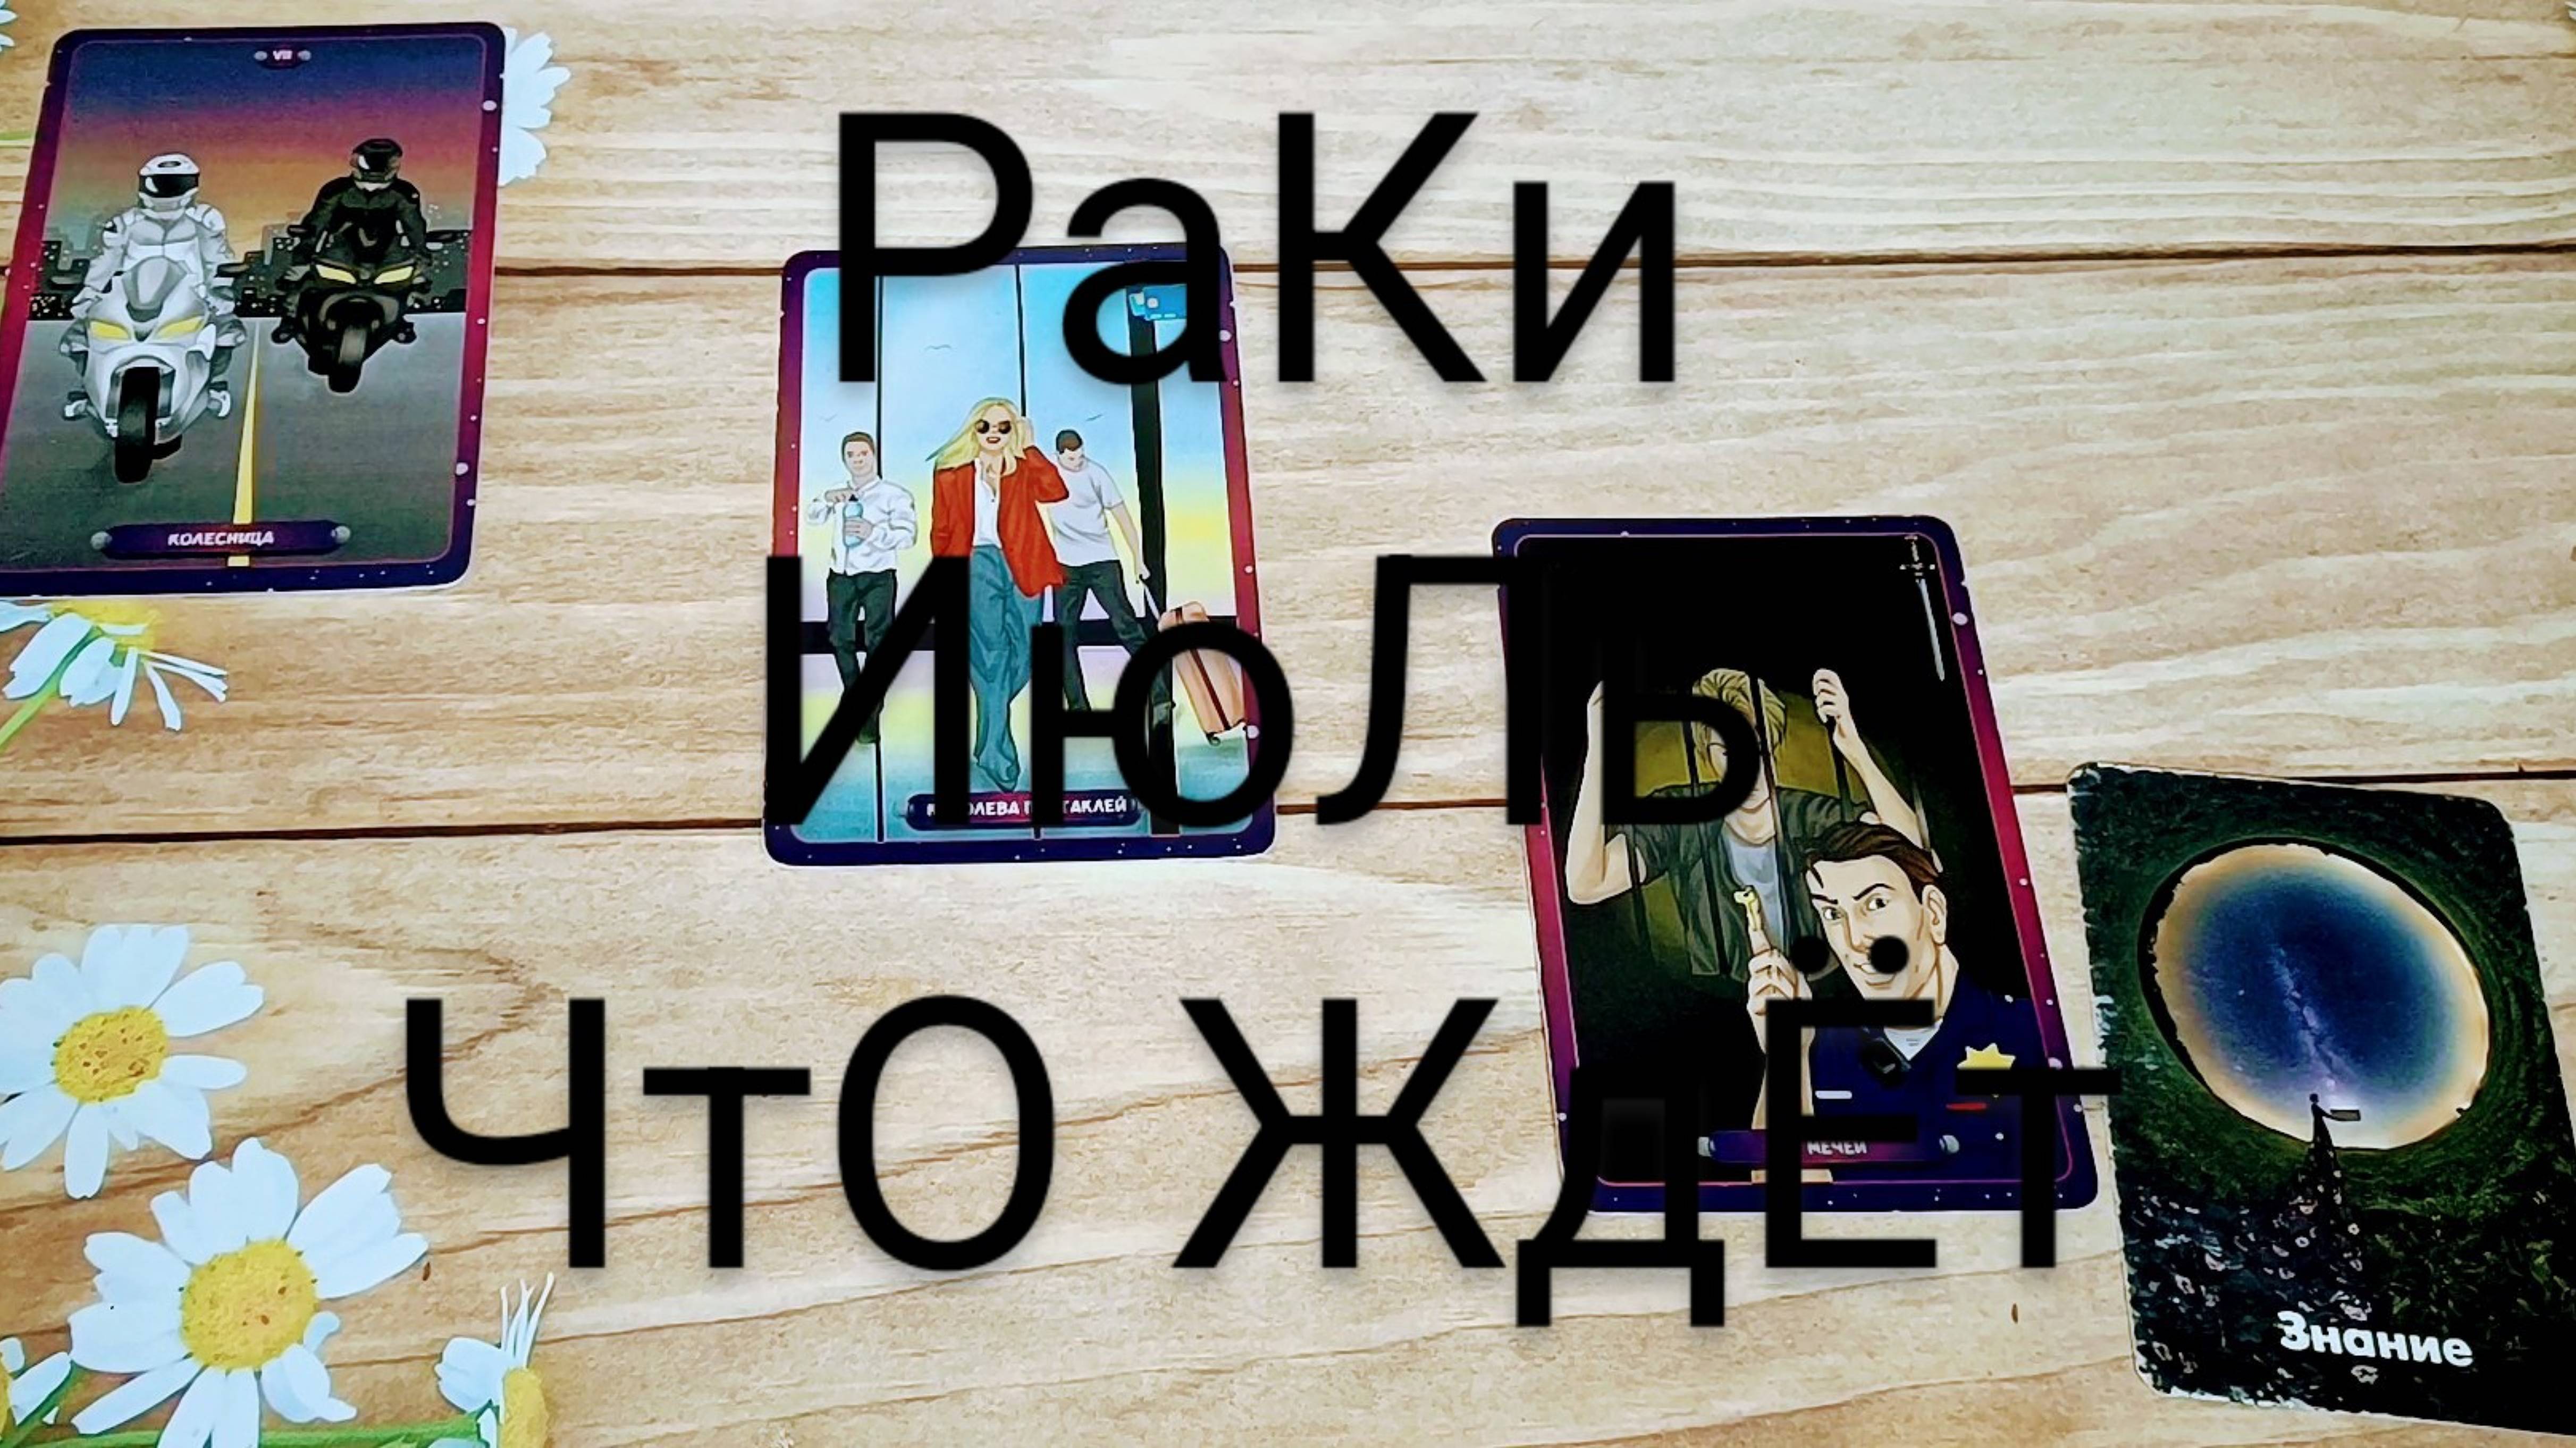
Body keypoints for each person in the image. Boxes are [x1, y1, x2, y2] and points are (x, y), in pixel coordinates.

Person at [1561, 666, 1925, 984]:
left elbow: (1914, 856)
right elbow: (1586, 884)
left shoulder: (1811, 815)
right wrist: (1599, 756)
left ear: (1773, 745)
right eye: (1728, 753)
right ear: (1707, 754)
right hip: (1716, 1013)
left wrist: (1855, 749)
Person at [1742, 821, 2043, 1176]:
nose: (1854, 940)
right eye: (1832, 914)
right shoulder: (1820, 1048)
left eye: (1876, 904)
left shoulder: (2031, 1032)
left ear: (1933, 912)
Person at [928, 397, 1066, 792]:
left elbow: (1055, 491)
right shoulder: (951, 474)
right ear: (973, 429)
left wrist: (1030, 448)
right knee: (991, 654)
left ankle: (989, 734)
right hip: (976, 564)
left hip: (1025, 564)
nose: (993, 433)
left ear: (1013, 431)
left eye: (1003, 427)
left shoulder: (1023, 468)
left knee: (1026, 652)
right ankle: (997, 754)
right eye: (985, 426)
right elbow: (941, 531)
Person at [65, 154, 244, 410]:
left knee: (228, 333)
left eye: (174, 183)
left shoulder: (205, 220)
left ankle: (213, 385)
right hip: (128, 297)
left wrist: (221, 291)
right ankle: (88, 390)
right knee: (78, 337)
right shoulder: (124, 223)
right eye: (157, 183)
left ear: (191, 185)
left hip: (193, 296)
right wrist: (89, 292)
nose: (164, 191)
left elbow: (218, 258)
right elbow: (106, 260)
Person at [805, 431, 917, 737]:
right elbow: (812, 517)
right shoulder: (840, 495)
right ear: (844, 460)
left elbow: (908, 536)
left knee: (878, 642)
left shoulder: (894, 495)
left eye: (863, 454)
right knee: (839, 637)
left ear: (875, 455)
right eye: (851, 455)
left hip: (878, 576)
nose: (858, 460)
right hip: (841, 576)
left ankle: (864, 716)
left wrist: (873, 532)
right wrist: (827, 498)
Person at [1043, 428, 1163, 714]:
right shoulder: (1047, 473)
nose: (1077, 462)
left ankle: (1160, 697)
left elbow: (1123, 517)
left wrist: (1138, 559)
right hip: (1066, 566)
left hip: (1102, 561)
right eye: (1071, 458)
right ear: (1059, 455)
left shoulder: (1096, 473)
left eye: (1080, 456)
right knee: (1063, 637)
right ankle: (1078, 706)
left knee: (1127, 627)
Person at [275, 138, 427, 346]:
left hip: (387, 251)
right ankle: (290, 319)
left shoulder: (404, 193)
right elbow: (316, 224)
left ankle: (398, 320)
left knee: (410, 282)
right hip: (341, 249)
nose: (374, 171)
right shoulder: (335, 191)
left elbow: (414, 226)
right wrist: (302, 260)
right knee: (302, 280)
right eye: (370, 161)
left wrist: (421, 257)